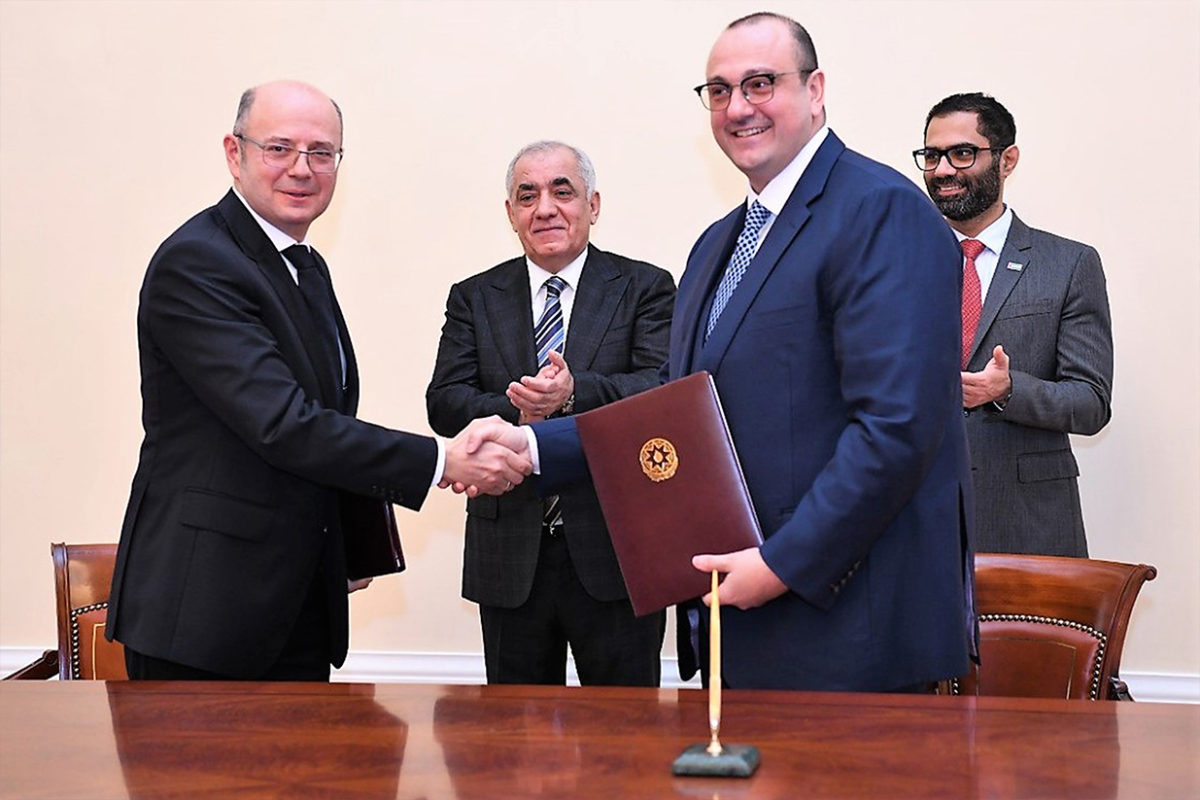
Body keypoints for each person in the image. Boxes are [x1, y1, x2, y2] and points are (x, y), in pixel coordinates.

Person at [460, 13, 975, 693]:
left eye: (761, 84)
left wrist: (785, 563)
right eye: (719, 90)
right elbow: (671, 414)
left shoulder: (881, 211)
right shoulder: (716, 245)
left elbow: (897, 429)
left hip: (848, 625)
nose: (738, 107)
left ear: (815, 90)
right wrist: (533, 450)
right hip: (743, 616)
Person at [106, 80, 530, 682]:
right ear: (235, 153)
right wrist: (443, 461)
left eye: (322, 152)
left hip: (293, 601)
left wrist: (346, 542)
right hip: (205, 615)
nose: (302, 170)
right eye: (279, 148)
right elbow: (282, 424)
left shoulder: (303, 264)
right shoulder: (198, 262)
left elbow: (323, 414)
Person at [426, 141, 675, 686]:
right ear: (511, 213)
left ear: (594, 204)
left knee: (624, 740)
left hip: (616, 552)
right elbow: (444, 401)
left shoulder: (645, 288)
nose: (545, 208)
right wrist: (523, 406)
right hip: (509, 554)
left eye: (563, 191)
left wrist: (573, 394)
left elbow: (660, 391)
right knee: (511, 747)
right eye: (527, 195)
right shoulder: (474, 297)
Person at [916, 93, 1113, 557]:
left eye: (963, 153)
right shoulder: (893, 265)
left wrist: (1006, 391)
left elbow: (1091, 403)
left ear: (1007, 160)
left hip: (1027, 527)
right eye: (932, 155)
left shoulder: (1068, 264)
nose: (943, 170)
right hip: (913, 524)